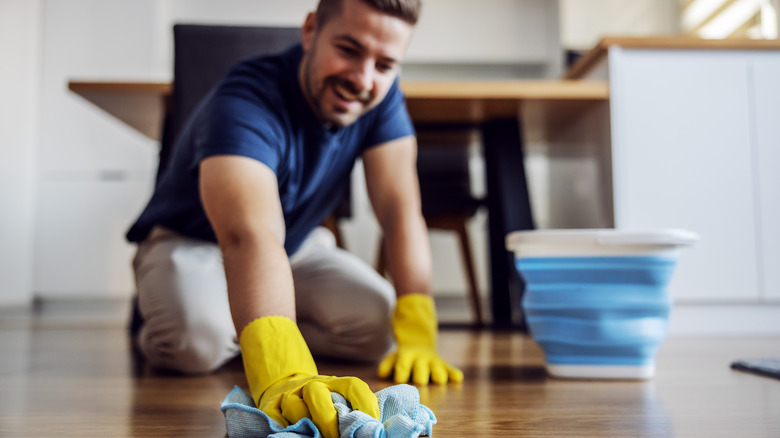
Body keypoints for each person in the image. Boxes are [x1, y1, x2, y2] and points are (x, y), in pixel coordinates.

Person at [126, 0, 462, 436]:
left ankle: (249, 319)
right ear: (310, 31)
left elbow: (401, 211)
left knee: (379, 326)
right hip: (193, 241)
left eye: (384, 64)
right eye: (348, 49)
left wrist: (418, 324)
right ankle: (178, 318)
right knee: (196, 344)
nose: (363, 78)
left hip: (293, 247)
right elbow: (248, 234)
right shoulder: (245, 98)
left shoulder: (382, 98)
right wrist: (282, 364)